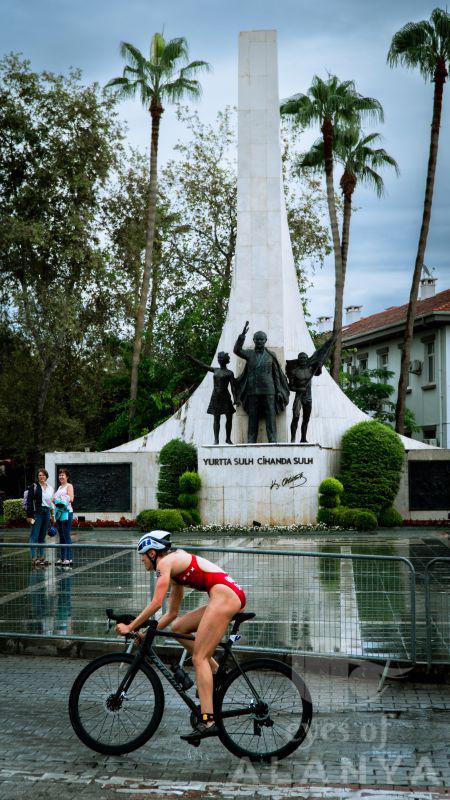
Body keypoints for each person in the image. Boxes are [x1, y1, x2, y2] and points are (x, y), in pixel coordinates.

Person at [116, 530, 246, 743]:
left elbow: (157, 603)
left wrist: (130, 626)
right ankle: (215, 672)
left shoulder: (165, 564)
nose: (141, 561)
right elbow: (171, 613)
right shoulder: (174, 569)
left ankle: (208, 721)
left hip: (226, 597)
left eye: (142, 555)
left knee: (198, 658)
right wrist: (145, 633)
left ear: (152, 552)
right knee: (178, 627)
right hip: (224, 595)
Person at [233, 321, 290, 443]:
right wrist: (241, 336)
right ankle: (251, 440)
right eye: (257, 339)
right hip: (252, 390)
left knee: (271, 417)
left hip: (269, 390)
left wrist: (279, 390)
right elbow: (237, 350)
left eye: (262, 339)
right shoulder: (249, 354)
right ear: (254, 340)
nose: (259, 341)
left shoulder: (271, 355)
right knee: (252, 417)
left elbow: (276, 375)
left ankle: (272, 440)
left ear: (265, 340)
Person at [286, 332, 338, 443]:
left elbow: (318, 373)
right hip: (299, 397)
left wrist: (319, 366)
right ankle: (292, 438)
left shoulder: (310, 369)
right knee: (295, 417)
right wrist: (299, 389)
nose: (303, 359)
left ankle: (303, 438)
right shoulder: (294, 371)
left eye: (304, 358)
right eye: (301, 358)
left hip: (308, 398)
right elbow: (290, 387)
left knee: (306, 418)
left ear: (306, 359)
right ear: (298, 359)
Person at [188, 352, 237, 444]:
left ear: (225, 360)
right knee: (216, 418)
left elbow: (233, 387)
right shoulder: (215, 370)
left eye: (221, 358)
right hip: (215, 397)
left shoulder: (229, 373)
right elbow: (202, 365)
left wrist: (235, 399)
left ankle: (228, 438)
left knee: (229, 418)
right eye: (218, 358)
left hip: (225, 397)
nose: (219, 360)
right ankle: (216, 439)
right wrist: (192, 359)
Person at [26, 468, 55, 568]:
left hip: (46, 513)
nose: (41, 477)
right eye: (39, 475)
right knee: (34, 535)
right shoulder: (33, 487)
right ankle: (34, 558)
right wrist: (29, 516)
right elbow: (29, 502)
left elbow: (51, 503)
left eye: (43, 475)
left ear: (46, 476)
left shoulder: (50, 488)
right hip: (37, 514)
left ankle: (41, 557)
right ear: (37, 477)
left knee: (42, 536)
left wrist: (52, 515)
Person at [53, 468, 74, 567]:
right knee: (61, 535)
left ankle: (69, 558)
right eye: (60, 475)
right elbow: (53, 499)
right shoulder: (59, 487)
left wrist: (60, 500)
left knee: (66, 534)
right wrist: (56, 500)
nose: (61, 476)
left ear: (67, 477)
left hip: (67, 512)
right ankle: (62, 558)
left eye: (63, 475)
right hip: (59, 514)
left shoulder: (69, 486)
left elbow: (71, 498)